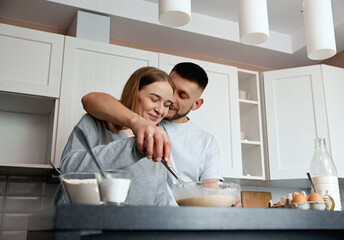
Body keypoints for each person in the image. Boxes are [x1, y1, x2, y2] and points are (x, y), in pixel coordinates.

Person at [82, 62, 241, 207]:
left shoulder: (206, 141)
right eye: (171, 88)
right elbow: (91, 99)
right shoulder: (144, 114)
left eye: (182, 95)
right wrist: (137, 122)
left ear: (196, 104)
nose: (171, 99)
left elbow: (211, 190)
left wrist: (227, 202)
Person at [60, 66, 175, 206]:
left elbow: (159, 202)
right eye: (153, 99)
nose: (160, 110)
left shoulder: (156, 144)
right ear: (134, 93)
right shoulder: (97, 122)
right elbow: (69, 169)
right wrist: (133, 147)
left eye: (167, 104)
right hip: (89, 226)